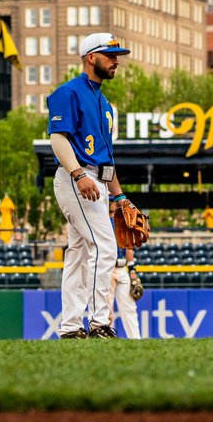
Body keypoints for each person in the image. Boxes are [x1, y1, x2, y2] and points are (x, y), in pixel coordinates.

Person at [48, 32, 132, 339]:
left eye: (117, 56)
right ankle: (99, 324)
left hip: (97, 178)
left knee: (80, 253)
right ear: (91, 57)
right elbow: (58, 138)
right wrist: (78, 175)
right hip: (77, 177)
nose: (116, 62)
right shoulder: (68, 92)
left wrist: (119, 195)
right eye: (110, 56)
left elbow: (107, 160)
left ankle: (70, 327)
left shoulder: (106, 104)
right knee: (104, 246)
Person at [110, 246, 142, 339]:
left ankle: (135, 338)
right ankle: (106, 339)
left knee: (130, 307)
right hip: (107, 267)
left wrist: (132, 270)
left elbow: (128, 247)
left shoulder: (122, 231)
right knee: (106, 309)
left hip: (122, 267)